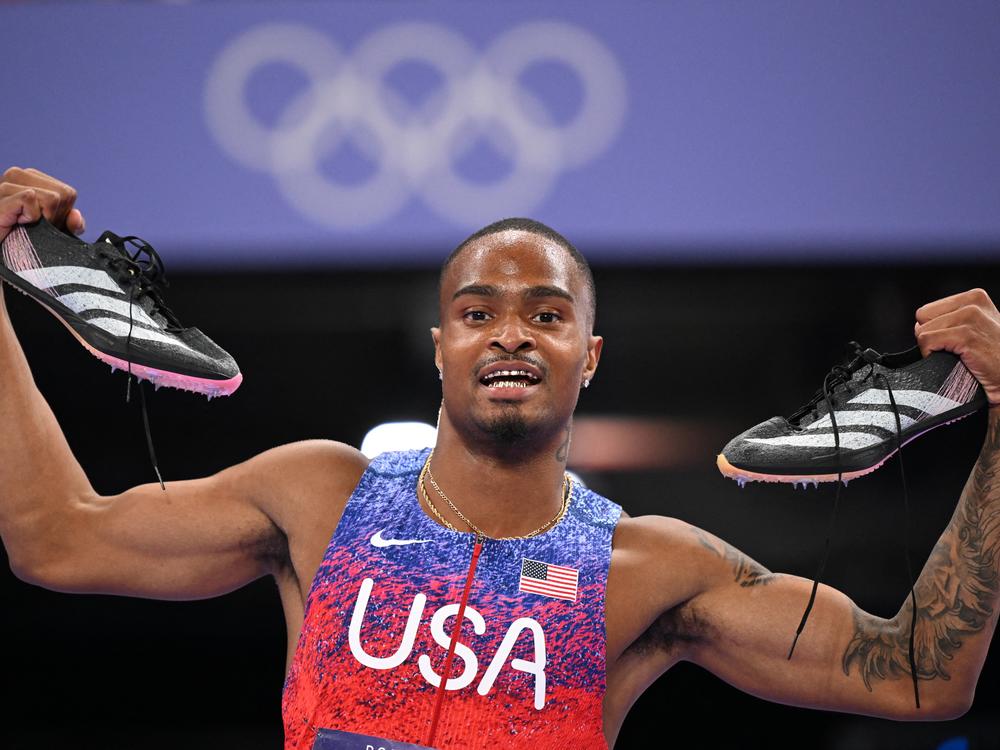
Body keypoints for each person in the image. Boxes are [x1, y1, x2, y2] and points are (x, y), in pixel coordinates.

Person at [1, 167, 999, 749]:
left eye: (547, 315)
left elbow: (918, 676)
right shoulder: (316, 498)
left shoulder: (649, 571)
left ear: (589, 356)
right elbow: (56, 539)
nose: (510, 335)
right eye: (477, 313)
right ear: (441, 346)